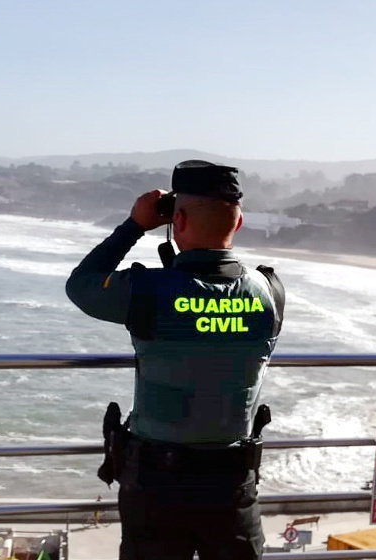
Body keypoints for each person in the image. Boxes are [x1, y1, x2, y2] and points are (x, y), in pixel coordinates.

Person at [65, 160, 285, 560]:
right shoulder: (269, 292)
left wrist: (134, 225)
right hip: (232, 484)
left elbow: (81, 285)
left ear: (176, 220)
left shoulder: (147, 290)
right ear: (237, 224)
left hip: (156, 484)